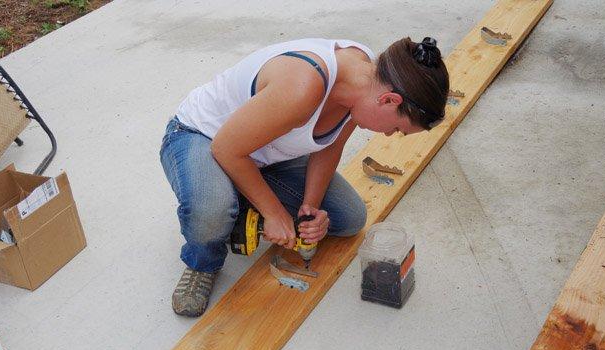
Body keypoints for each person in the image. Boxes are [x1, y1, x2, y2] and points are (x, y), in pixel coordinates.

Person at [160, 36, 449, 317]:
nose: (388, 134)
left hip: (265, 152)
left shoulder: (365, 84)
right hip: (203, 138)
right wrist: (273, 213)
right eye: (397, 128)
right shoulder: (303, 85)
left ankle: (238, 199)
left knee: (348, 217)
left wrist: (308, 210)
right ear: (388, 100)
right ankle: (203, 262)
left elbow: (329, 147)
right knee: (212, 210)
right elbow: (225, 148)